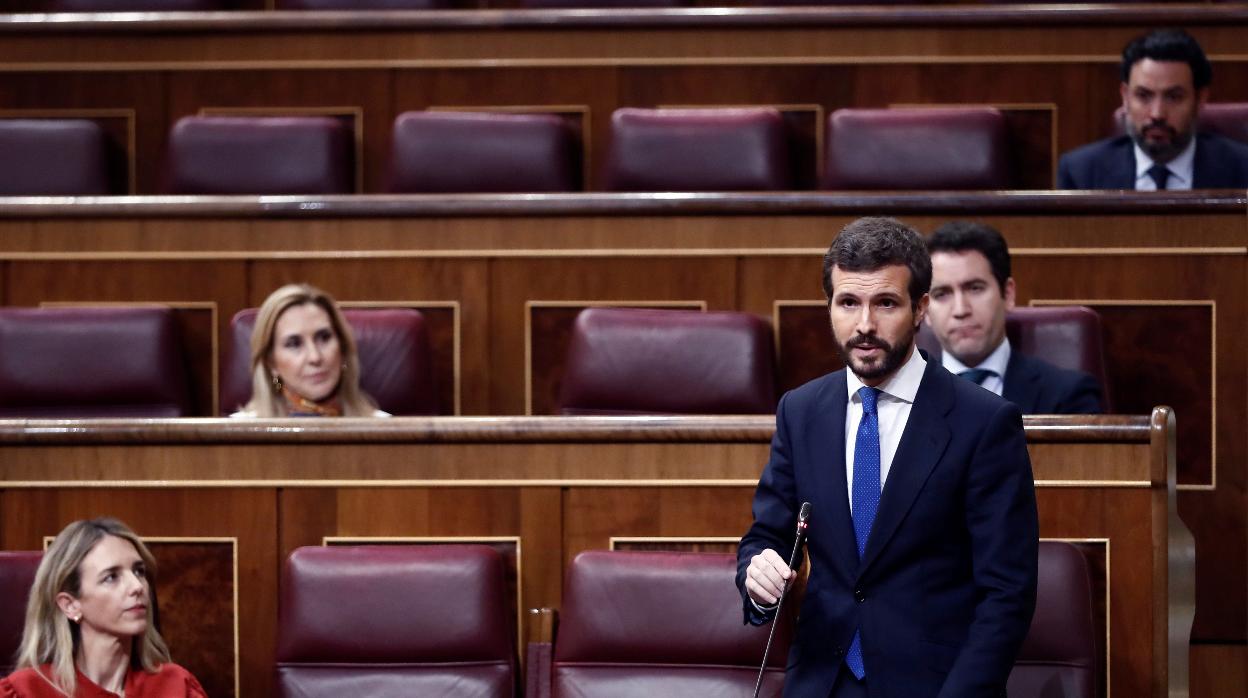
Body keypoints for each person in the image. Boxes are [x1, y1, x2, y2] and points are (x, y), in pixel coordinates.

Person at [737, 217, 1038, 698]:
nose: (865, 325)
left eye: (886, 304)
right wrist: (757, 574)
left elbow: (1006, 595)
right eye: (848, 302)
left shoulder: (985, 422)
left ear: (920, 309)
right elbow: (766, 536)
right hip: (822, 682)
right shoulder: (801, 411)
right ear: (829, 307)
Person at [1, 518, 206, 697]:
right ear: (70, 605)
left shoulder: (177, 686)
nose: (137, 587)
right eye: (111, 577)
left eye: (139, 571)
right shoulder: (25, 691)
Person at [925, 221, 1104, 414]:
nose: (960, 310)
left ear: (1008, 294)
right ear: (924, 309)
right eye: (942, 294)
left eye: (975, 288)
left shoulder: (1067, 395)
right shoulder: (900, 397)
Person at [1057, 28, 1248, 190]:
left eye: (1174, 97)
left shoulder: (1242, 170)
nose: (1157, 114)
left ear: (1200, 99)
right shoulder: (1081, 174)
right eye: (1143, 96)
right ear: (1125, 96)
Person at [232, 283, 389, 417]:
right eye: (294, 344)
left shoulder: (389, 432)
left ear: (342, 347)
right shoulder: (235, 435)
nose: (315, 357)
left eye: (324, 338)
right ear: (271, 362)